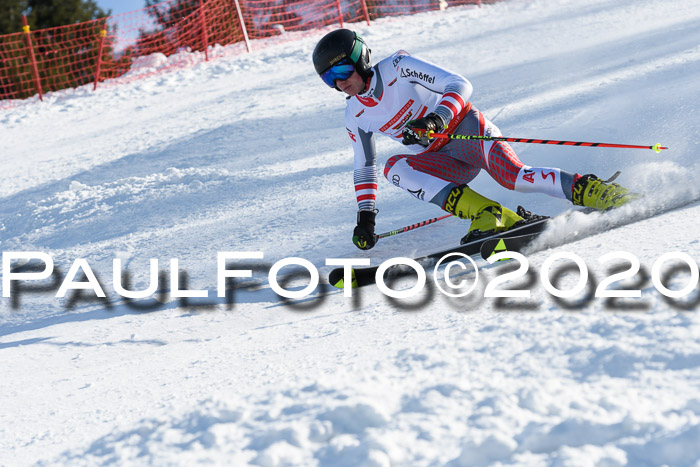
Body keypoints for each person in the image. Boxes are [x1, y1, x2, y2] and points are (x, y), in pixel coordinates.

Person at [312, 29, 636, 250]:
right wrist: (365, 218)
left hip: (466, 130)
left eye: (341, 72)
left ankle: (596, 191)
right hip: (444, 161)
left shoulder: (398, 67)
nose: (339, 84)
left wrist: (436, 118)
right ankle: (489, 215)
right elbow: (363, 167)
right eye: (329, 79)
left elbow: (459, 83)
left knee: (516, 178)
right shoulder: (355, 115)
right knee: (394, 167)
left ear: (360, 60)